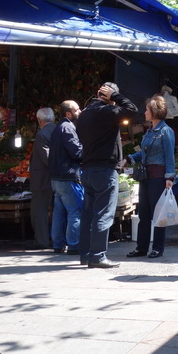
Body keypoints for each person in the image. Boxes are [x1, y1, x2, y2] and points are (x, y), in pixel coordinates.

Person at [76, 82, 138, 268]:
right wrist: (115, 97)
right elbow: (132, 110)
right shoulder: (106, 112)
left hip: (87, 170)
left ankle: (85, 254)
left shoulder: (84, 115)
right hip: (104, 170)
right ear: (110, 96)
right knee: (103, 213)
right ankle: (97, 256)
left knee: (88, 214)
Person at [123, 94, 176, 259]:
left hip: (158, 177)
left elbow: (169, 156)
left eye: (147, 110)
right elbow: (143, 153)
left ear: (154, 111)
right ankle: (141, 248)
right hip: (145, 177)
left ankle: (158, 248)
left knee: (158, 214)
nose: (144, 113)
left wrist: (169, 178)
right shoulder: (150, 131)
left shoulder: (166, 131)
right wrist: (129, 158)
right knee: (143, 213)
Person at [49, 100, 82, 255]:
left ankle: (58, 244)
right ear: (69, 113)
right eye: (77, 109)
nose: (80, 111)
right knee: (74, 212)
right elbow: (76, 152)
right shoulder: (68, 128)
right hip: (67, 177)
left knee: (59, 213)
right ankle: (74, 245)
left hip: (56, 178)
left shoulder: (58, 128)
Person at [29, 107, 56, 249]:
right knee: (58, 210)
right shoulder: (60, 130)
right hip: (58, 179)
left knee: (39, 211)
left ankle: (42, 241)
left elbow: (48, 158)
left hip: (43, 180)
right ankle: (58, 241)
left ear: (39, 120)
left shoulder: (41, 134)